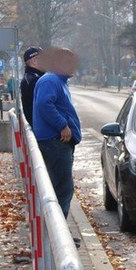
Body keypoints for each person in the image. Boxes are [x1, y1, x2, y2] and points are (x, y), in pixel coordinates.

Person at [32, 47, 82, 218]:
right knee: (63, 188)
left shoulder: (57, 80)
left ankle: (59, 232)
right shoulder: (51, 80)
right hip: (55, 142)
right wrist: (63, 125)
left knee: (60, 187)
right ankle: (58, 235)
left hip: (57, 143)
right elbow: (44, 105)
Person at [20, 46, 44, 124]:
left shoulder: (33, 77)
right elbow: (45, 106)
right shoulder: (33, 80)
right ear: (34, 61)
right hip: (42, 128)